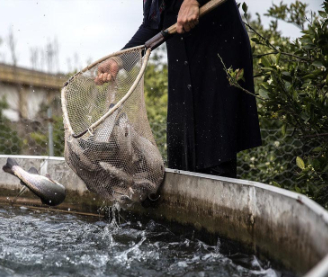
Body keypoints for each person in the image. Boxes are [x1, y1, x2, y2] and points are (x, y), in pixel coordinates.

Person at [96, 0, 262, 178]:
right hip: (183, 58)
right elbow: (153, 24)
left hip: (217, 50)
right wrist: (119, 60)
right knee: (182, 147)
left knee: (215, 146)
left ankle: (219, 196)